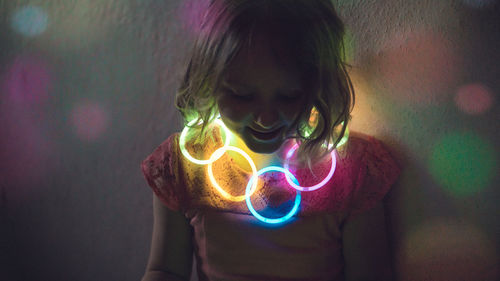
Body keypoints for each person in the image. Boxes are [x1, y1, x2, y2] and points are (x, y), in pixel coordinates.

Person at [140, 1, 400, 280]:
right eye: (242, 95)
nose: (265, 118)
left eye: (287, 96)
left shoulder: (353, 173)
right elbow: (165, 270)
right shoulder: (184, 167)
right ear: (209, 80)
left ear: (317, 85)